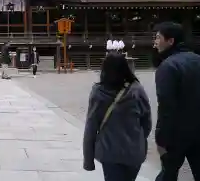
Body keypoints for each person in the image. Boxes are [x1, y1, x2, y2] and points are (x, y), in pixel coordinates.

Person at [83, 52, 152, 181]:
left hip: (110, 152)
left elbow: (91, 128)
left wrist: (88, 160)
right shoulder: (137, 90)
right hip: (134, 152)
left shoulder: (98, 93)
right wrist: (138, 140)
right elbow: (147, 123)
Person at [152, 22, 200, 181]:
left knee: (168, 174)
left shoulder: (168, 67)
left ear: (170, 41)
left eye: (158, 38)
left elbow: (166, 106)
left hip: (176, 134)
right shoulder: (197, 59)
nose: (155, 42)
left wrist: (161, 137)